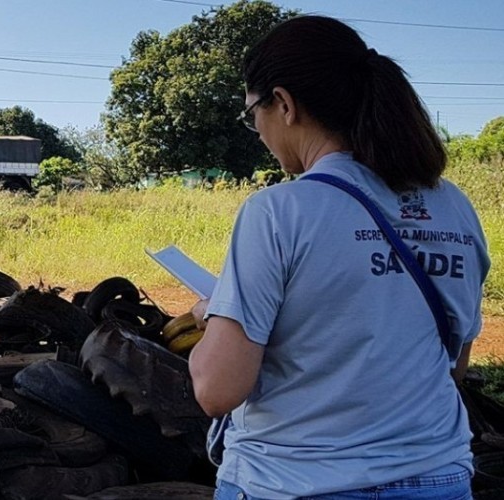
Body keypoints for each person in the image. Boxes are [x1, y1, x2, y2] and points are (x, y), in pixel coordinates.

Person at [188, 15, 490, 500]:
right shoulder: (453, 206)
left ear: (283, 104)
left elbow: (217, 390)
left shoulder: (279, 211)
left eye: (252, 115)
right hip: (439, 479)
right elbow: (449, 367)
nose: (258, 133)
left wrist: (214, 317)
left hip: (293, 483)